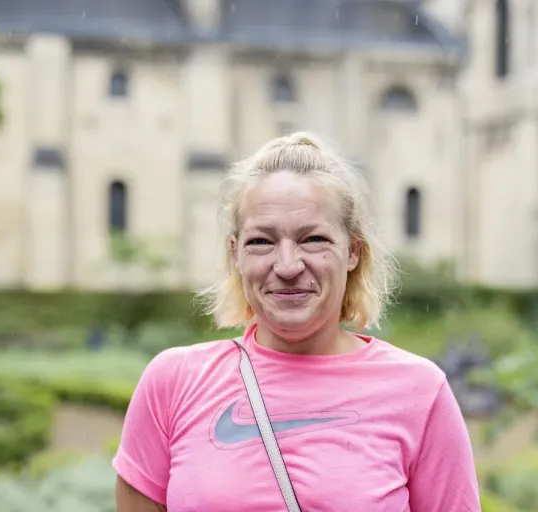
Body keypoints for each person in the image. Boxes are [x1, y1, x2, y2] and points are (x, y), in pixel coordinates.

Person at [113, 132, 482, 511]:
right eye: (261, 242)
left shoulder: (420, 392)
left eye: (313, 239)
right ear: (235, 254)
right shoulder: (173, 384)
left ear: (353, 251)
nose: (288, 266)